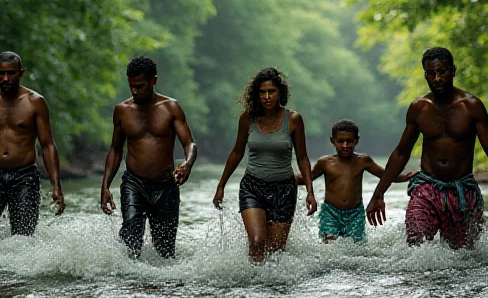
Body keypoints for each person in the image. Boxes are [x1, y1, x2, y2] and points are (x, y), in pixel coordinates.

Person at [366, 47, 488, 248]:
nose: (437, 78)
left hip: (462, 190)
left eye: (442, 71)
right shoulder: (419, 108)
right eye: (431, 73)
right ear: (425, 75)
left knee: (461, 258)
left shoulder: (471, 106)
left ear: (453, 71)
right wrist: (378, 194)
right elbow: (401, 153)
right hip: (426, 187)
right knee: (416, 247)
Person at [213, 67, 317, 263]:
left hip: (284, 190)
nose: (267, 96)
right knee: (257, 241)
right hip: (252, 187)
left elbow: (303, 158)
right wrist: (221, 186)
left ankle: (272, 291)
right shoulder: (248, 118)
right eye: (262, 92)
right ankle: (253, 291)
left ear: (280, 93)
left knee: (275, 253)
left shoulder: (293, 120)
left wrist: (310, 191)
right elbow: (236, 152)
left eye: (271, 91)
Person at [100, 56, 197, 259]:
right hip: (134, 184)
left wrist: (187, 164)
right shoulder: (122, 111)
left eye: (140, 86)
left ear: (153, 80)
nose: (135, 91)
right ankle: (132, 286)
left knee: (165, 252)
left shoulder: (171, 108)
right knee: (131, 240)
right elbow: (116, 150)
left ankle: (159, 289)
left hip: (165, 186)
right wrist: (105, 186)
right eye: (131, 86)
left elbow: (189, 143)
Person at [0, 51, 65, 235]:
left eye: (11, 73)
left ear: (21, 73)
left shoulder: (35, 102)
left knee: (23, 238)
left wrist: (56, 185)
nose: (6, 78)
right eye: (1, 73)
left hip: (25, 177)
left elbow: (47, 145)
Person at [297, 119, 413, 243]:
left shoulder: (363, 161)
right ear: (333, 141)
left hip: (355, 213)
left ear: (356, 140)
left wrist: (405, 177)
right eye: (340, 141)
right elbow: (307, 178)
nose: (345, 145)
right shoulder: (324, 163)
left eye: (349, 141)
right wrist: (286, 177)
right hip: (330, 212)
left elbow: (385, 175)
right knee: (329, 243)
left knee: (356, 246)